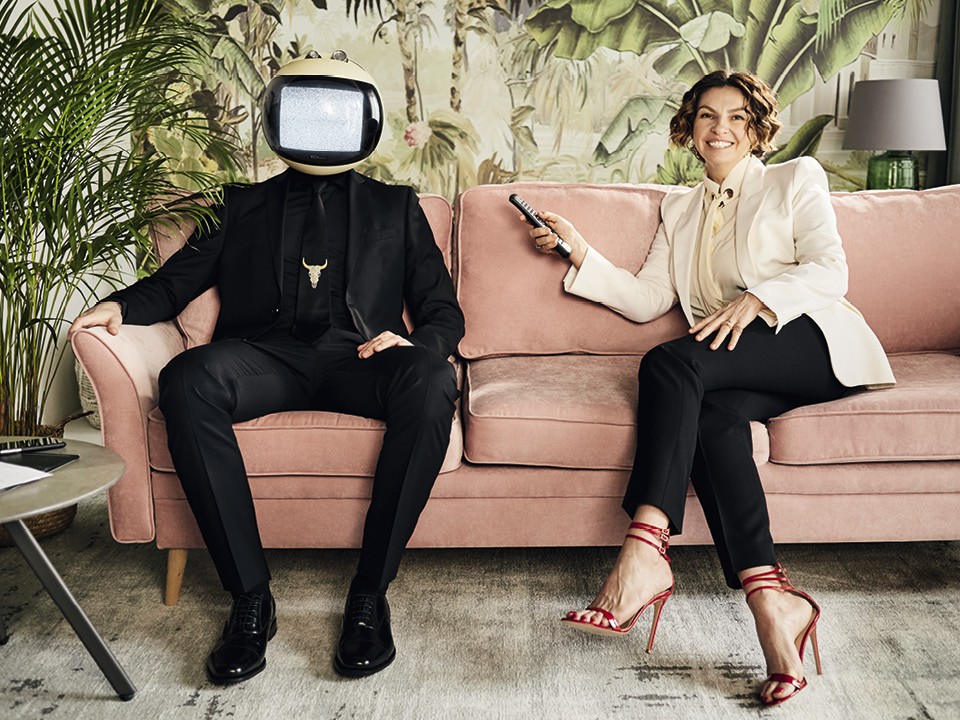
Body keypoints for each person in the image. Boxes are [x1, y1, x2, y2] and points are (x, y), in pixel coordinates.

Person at [68, 52, 463, 684]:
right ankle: (250, 598)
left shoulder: (397, 206)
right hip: (267, 356)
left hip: (361, 358)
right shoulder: (238, 205)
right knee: (186, 378)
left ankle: (369, 595)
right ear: (279, 117)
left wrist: (415, 342)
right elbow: (176, 282)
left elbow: (443, 309)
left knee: (433, 376)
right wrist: (119, 306)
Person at [525, 70, 895, 707]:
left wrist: (758, 299)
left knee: (669, 365)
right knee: (713, 422)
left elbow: (829, 270)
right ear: (689, 129)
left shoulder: (794, 179)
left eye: (736, 117)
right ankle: (774, 605)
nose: (720, 128)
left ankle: (645, 549)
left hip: (809, 339)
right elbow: (648, 299)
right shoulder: (679, 207)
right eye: (706, 116)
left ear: (756, 129)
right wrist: (579, 250)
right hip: (735, 361)